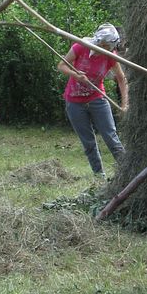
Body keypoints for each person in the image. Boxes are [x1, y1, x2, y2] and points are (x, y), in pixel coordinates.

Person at [58, 23, 129, 179]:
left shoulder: (111, 56)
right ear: (99, 42)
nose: (106, 49)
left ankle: (128, 172)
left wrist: (124, 104)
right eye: (104, 46)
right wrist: (75, 75)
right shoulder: (80, 47)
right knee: (88, 142)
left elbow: (121, 79)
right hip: (74, 101)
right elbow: (61, 65)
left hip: (97, 99)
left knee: (111, 137)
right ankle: (99, 176)